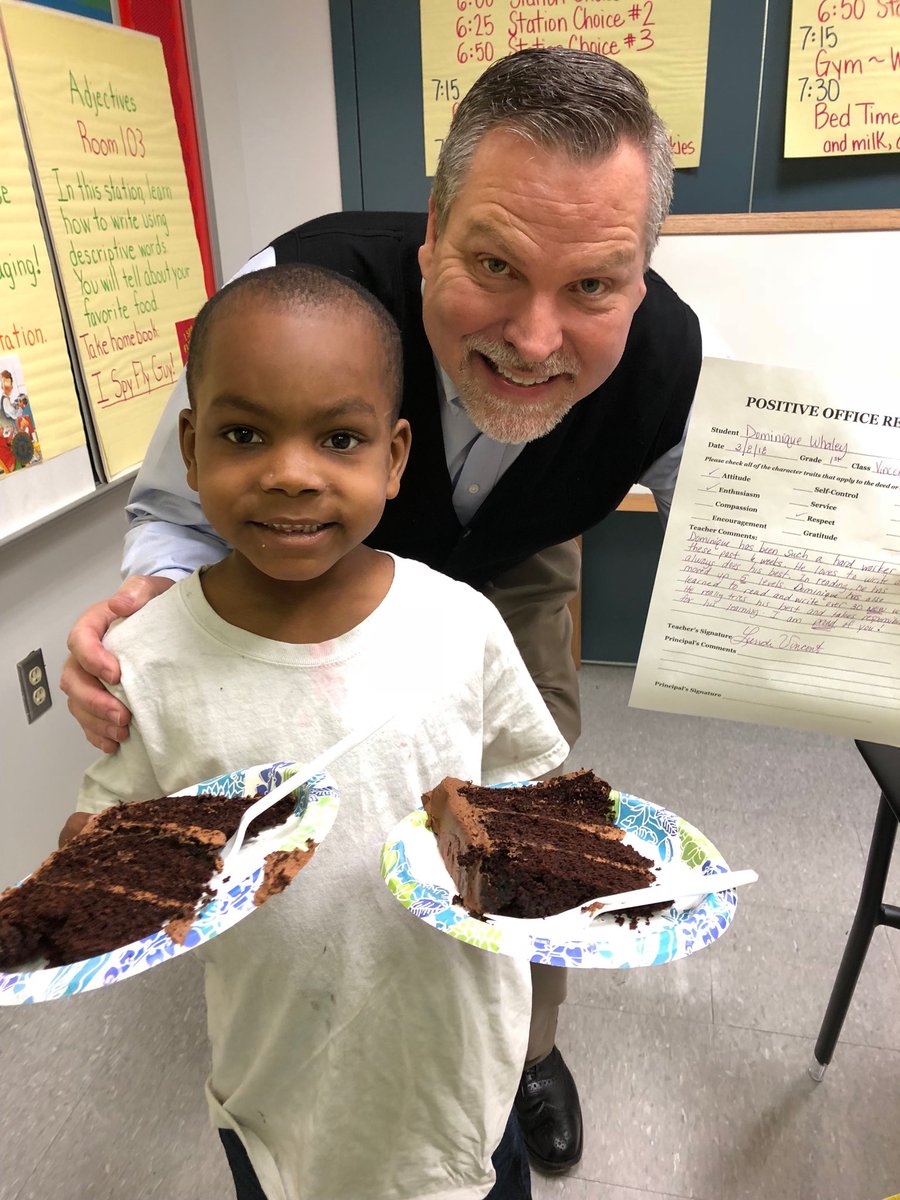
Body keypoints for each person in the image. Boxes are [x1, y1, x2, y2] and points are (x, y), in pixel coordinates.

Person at [60, 47, 704, 1173]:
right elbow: (177, 504)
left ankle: (526, 1048)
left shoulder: (667, 360)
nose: (534, 339)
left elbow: (744, 541)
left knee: (524, 815)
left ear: (640, 278)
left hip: (521, 549)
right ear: (433, 230)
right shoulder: (297, 288)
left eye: (594, 287)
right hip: (318, 552)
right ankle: (331, 1000)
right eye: (494, 265)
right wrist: (150, 633)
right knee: (327, 793)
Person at [60, 263, 569, 1200]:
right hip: (275, 1093)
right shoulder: (148, 658)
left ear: (394, 456)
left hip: (462, 1078)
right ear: (190, 447)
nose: (291, 473)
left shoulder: (459, 624)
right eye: (244, 434)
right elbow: (101, 852)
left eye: (339, 438)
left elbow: (526, 798)